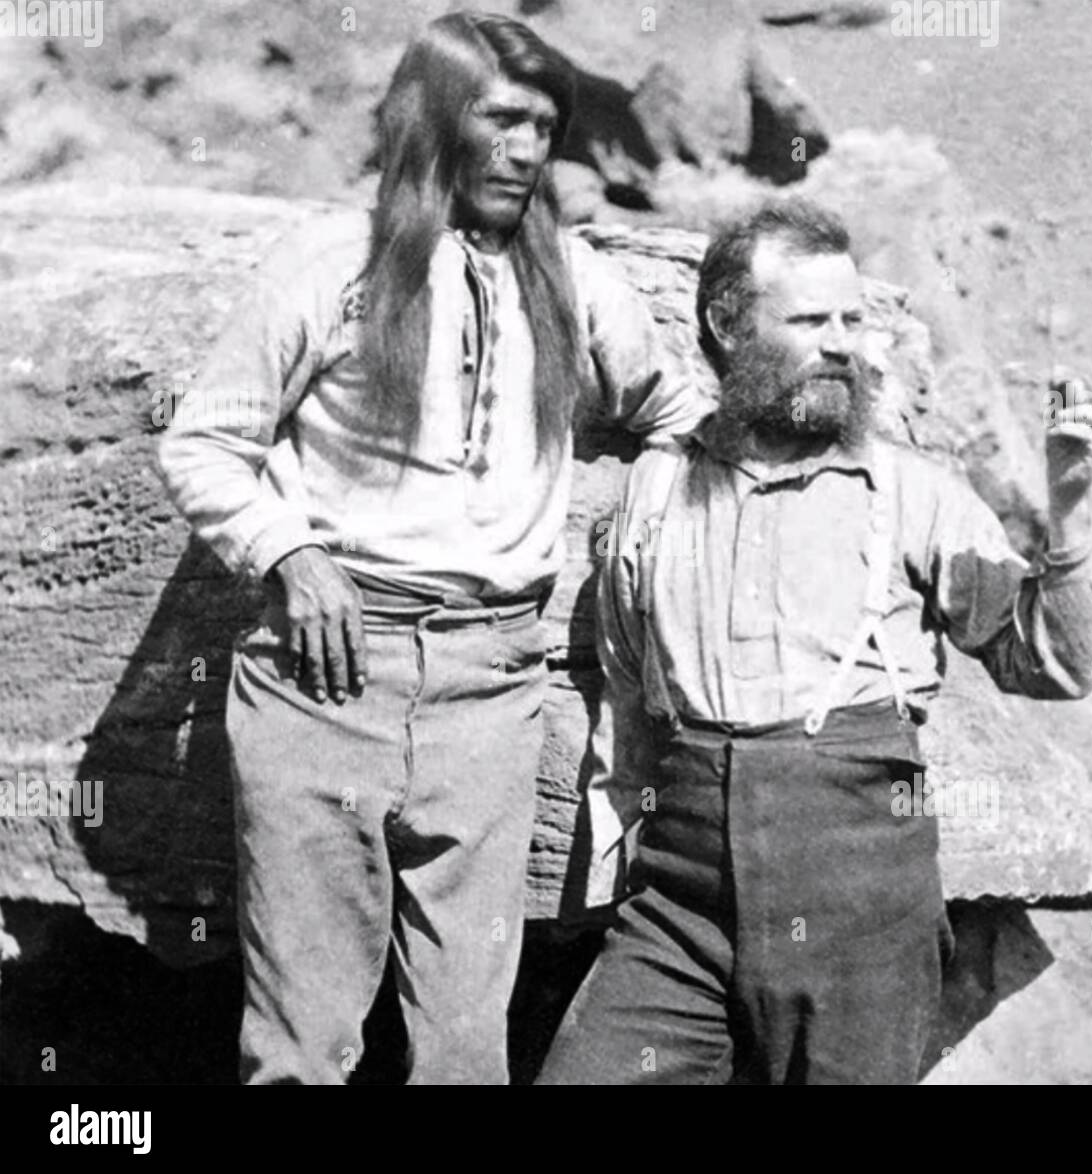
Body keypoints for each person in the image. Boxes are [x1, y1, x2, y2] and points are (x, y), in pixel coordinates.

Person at [157, 13, 708, 1085]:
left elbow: (675, 413)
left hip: (490, 687)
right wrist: (289, 555)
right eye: (501, 118)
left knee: (463, 1047)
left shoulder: (575, 280)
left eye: (544, 126)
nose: (526, 149)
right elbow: (207, 440)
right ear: (435, 117)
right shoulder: (331, 263)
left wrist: (637, 533)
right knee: (301, 1046)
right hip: (322, 680)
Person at [538, 198, 1092, 1085]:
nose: (844, 343)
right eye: (811, 320)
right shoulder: (657, 490)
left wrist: (1071, 511)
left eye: (852, 319)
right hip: (681, 902)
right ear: (728, 327)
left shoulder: (907, 494)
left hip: (860, 901)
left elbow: (1053, 659)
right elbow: (630, 695)